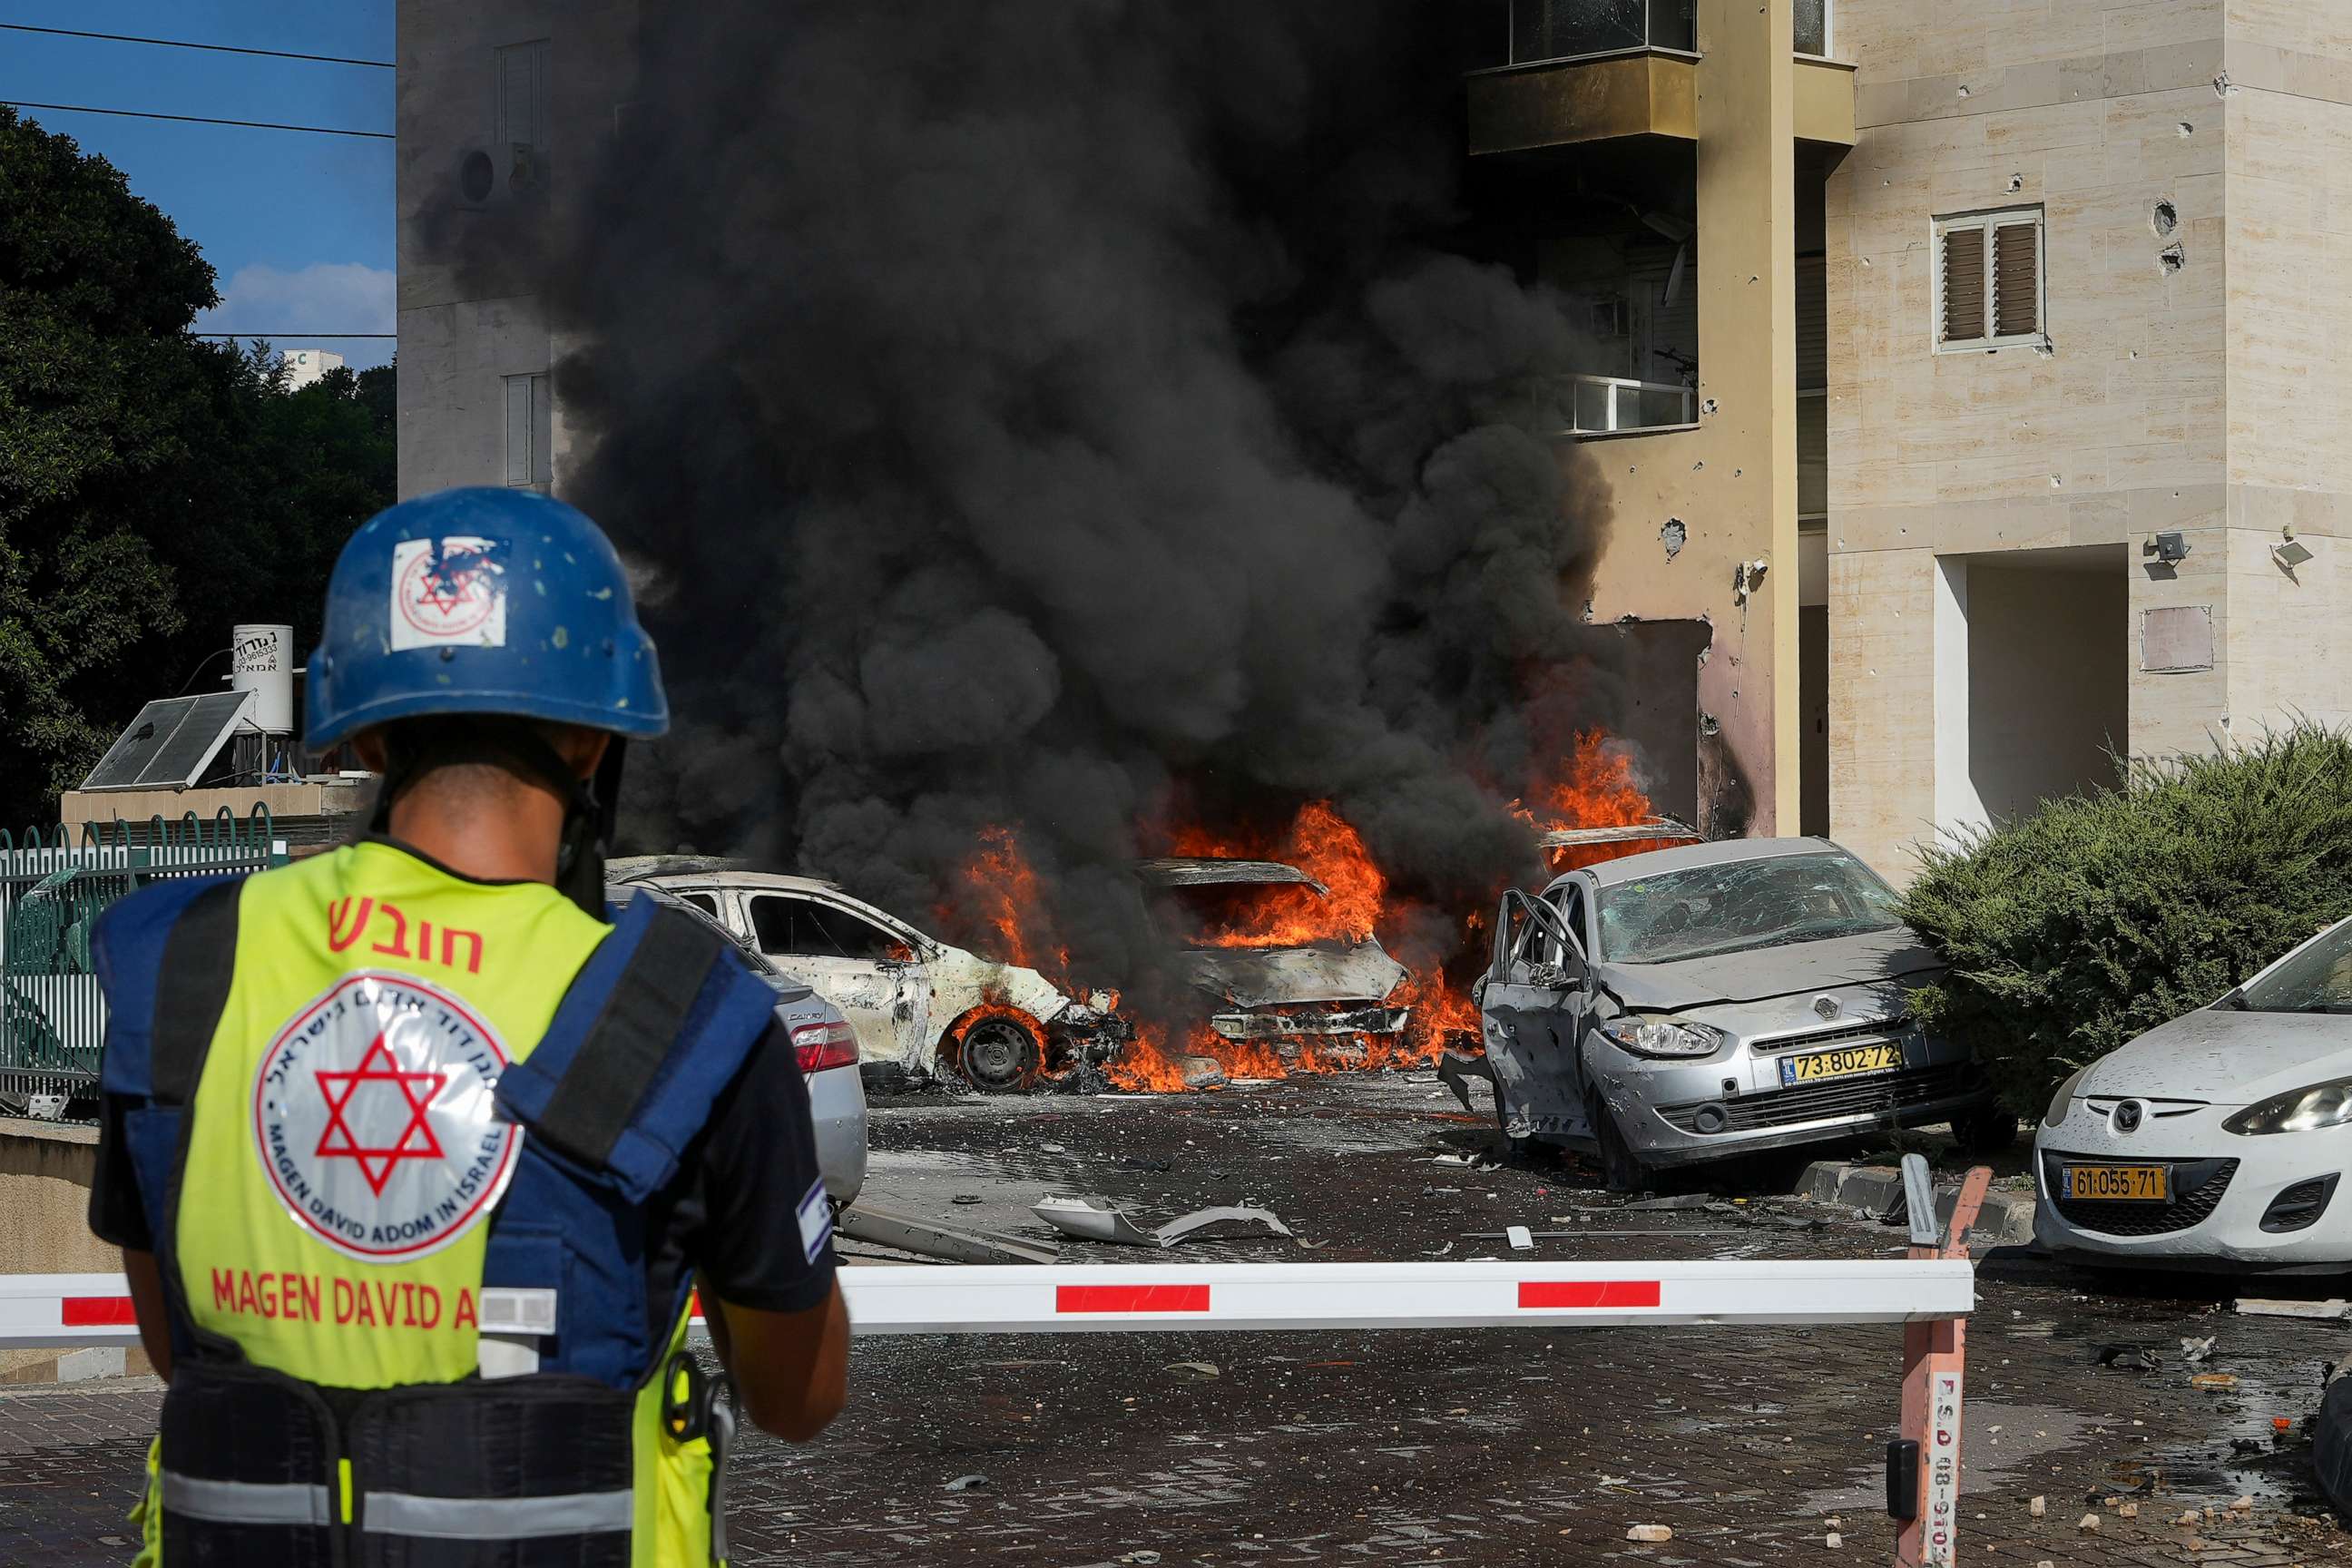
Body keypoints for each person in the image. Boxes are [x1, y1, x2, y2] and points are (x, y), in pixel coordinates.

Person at [87, 485, 848, 1566]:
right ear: (594, 740)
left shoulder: (186, 966)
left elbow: (182, 1352)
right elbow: (799, 1396)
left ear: (359, 739)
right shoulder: (681, 1014)